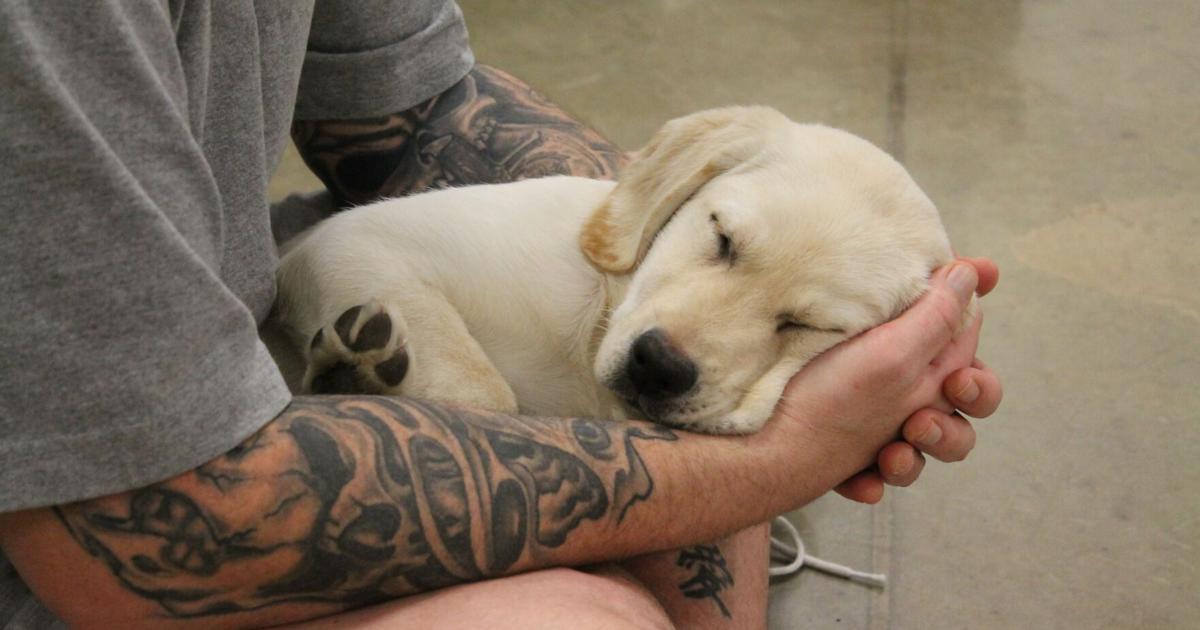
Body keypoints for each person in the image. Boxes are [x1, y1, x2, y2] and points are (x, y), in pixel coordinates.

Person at [0, 2, 1002, 628]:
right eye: (723, 242)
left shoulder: (683, 229)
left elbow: (419, 107)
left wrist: (847, 403)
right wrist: (775, 463)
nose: (680, 344)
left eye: (805, 321)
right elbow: (136, 534)